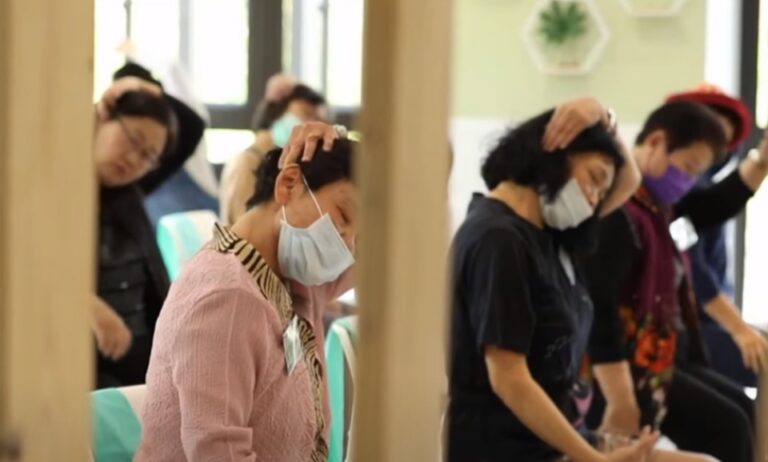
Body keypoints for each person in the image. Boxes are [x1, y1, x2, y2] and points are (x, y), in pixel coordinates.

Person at [446, 99, 713, 462]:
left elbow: (629, 180)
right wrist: (591, 458)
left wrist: (603, 116)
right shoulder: (499, 240)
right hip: (509, 450)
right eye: (594, 179)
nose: (592, 201)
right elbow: (509, 379)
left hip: (559, 441)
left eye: (601, 193)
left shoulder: (549, 232)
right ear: (555, 151)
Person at [136, 132, 356, 461]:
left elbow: (398, 244)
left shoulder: (295, 277)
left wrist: (336, 135)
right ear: (289, 184)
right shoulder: (225, 297)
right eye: (343, 217)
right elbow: (219, 453)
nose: (347, 244)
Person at [582, 101, 753, 462]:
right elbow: (600, 307)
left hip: (657, 359)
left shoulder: (657, 208)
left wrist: (760, 164)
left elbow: (714, 205)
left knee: (740, 414)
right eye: (688, 168)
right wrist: (620, 397)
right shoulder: (621, 213)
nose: (687, 182)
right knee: (731, 427)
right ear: (656, 142)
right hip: (622, 370)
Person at [93, 71, 206, 388]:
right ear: (104, 119)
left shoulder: (130, 191)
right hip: (83, 363)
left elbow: (191, 127)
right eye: (133, 139)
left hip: (145, 356)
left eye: (148, 156)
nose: (134, 159)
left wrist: (148, 89)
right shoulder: (50, 187)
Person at [667, 84, 768, 384]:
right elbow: (694, 270)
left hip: (705, 322)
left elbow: (717, 203)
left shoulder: (698, 191)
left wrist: (761, 164)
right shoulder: (670, 195)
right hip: (682, 329)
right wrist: (739, 330)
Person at [219, 73, 327, 225]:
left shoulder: (278, 162)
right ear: (278, 111)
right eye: (306, 114)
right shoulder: (247, 162)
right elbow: (243, 226)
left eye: (317, 119)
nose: (310, 125)